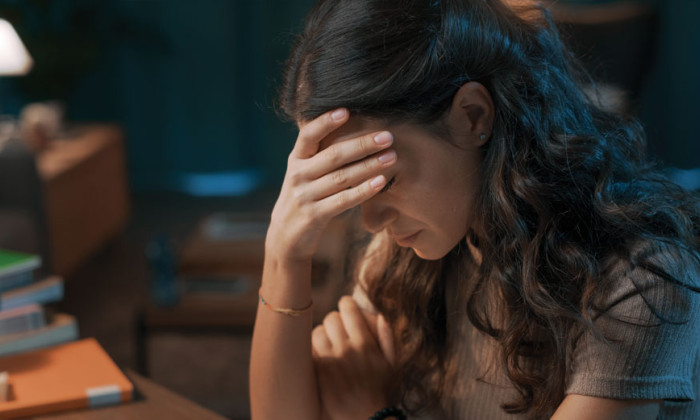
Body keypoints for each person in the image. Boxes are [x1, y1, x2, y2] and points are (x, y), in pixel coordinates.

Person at [250, 0, 700, 419]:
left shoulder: (638, 285)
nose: (372, 223)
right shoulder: (406, 254)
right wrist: (284, 255)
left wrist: (377, 412)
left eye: (384, 182)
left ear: (473, 117)